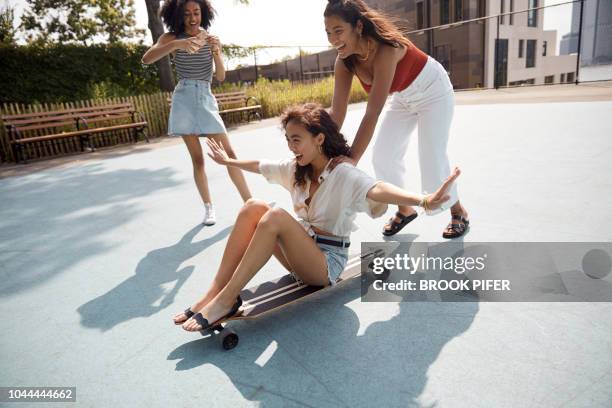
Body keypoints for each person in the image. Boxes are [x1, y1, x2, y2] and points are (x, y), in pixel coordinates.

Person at [173, 103, 460, 331]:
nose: (291, 147)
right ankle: (215, 293)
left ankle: (226, 299)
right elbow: (261, 165)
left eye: (296, 139)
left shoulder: (343, 173)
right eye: (288, 140)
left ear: (319, 138)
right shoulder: (297, 169)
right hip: (300, 253)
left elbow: (377, 188)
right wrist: (228, 161)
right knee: (252, 207)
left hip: (325, 265)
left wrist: (423, 200)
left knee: (274, 216)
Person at [323, 0, 469, 238]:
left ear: (358, 26)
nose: (332, 38)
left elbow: (373, 112)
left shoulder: (386, 49)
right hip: (403, 97)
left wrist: (351, 160)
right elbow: (337, 112)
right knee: (383, 155)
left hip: (433, 90)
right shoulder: (344, 61)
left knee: (432, 156)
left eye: (338, 30)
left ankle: (458, 211)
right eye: (328, 32)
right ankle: (405, 209)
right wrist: (319, 144)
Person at [141, 0, 251, 225]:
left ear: (204, 14)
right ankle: (209, 208)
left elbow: (220, 76)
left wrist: (217, 52)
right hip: (184, 98)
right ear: (179, 15)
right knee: (198, 159)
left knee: (228, 154)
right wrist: (176, 46)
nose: (192, 18)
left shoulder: (210, 38)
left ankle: (250, 202)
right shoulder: (171, 38)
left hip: (205, 97)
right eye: (187, 14)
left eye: (196, 13)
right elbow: (146, 59)